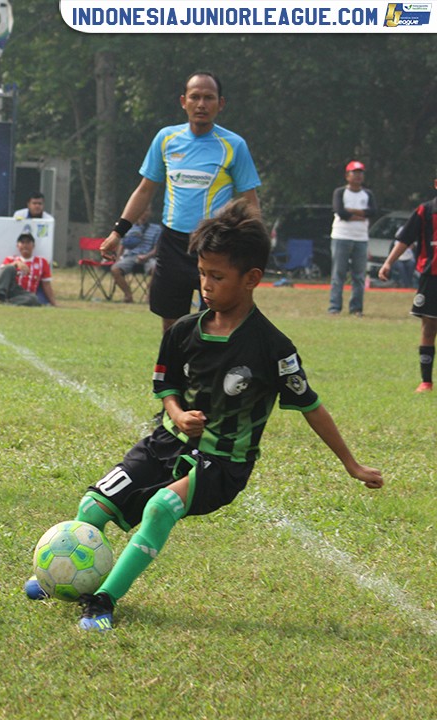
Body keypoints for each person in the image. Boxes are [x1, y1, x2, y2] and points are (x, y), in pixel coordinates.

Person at [59, 200, 382, 632]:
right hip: (166, 443)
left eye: (217, 276)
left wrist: (351, 463)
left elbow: (310, 406)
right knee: (91, 506)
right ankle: (58, 577)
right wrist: (176, 412)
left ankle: (102, 600)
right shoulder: (182, 332)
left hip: (223, 463)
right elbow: (166, 388)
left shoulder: (273, 347)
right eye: (202, 274)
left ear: (251, 279)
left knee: (160, 508)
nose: (206, 285)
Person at [100, 72, 261, 334]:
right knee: (171, 321)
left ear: (221, 104)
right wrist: (117, 232)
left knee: (213, 319)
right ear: (183, 101)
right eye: (195, 97)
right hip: (172, 243)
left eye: (209, 98)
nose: (201, 104)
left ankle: (204, 373)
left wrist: (255, 247)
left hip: (214, 244)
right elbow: (144, 190)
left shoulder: (234, 145)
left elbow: (250, 202)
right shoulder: (166, 139)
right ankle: (171, 373)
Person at [377, 172, 437, 394]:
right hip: (431, 277)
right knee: (429, 327)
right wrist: (388, 263)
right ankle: (426, 382)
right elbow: (405, 238)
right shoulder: (425, 210)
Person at [328, 161, 378, 316]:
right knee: (339, 273)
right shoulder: (340, 192)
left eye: (360, 172)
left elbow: (373, 211)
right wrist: (360, 214)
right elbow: (340, 212)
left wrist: (352, 213)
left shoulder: (367, 194)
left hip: (361, 238)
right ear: (347, 175)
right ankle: (334, 307)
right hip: (341, 236)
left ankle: (356, 308)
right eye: (354, 172)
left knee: (359, 275)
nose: (358, 176)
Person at [0, 231, 57, 306]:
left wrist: (54, 303)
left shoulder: (42, 262)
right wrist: (15, 264)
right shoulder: (10, 259)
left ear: (33, 246)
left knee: (34, 299)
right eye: (22, 242)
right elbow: (2, 274)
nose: (25, 245)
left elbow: (46, 284)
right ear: (17, 246)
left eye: (28, 242)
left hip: (26, 294)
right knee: (9, 268)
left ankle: (3, 303)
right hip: (11, 289)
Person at [110, 208, 162, 304]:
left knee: (157, 268)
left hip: (148, 257)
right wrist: (118, 258)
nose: (144, 214)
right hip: (130, 256)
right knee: (115, 269)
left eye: (146, 211)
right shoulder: (129, 227)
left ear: (150, 212)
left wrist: (146, 257)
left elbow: (156, 249)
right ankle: (128, 295)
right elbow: (122, 245)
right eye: (142, 211)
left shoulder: (156, 229)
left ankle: (149, 296)